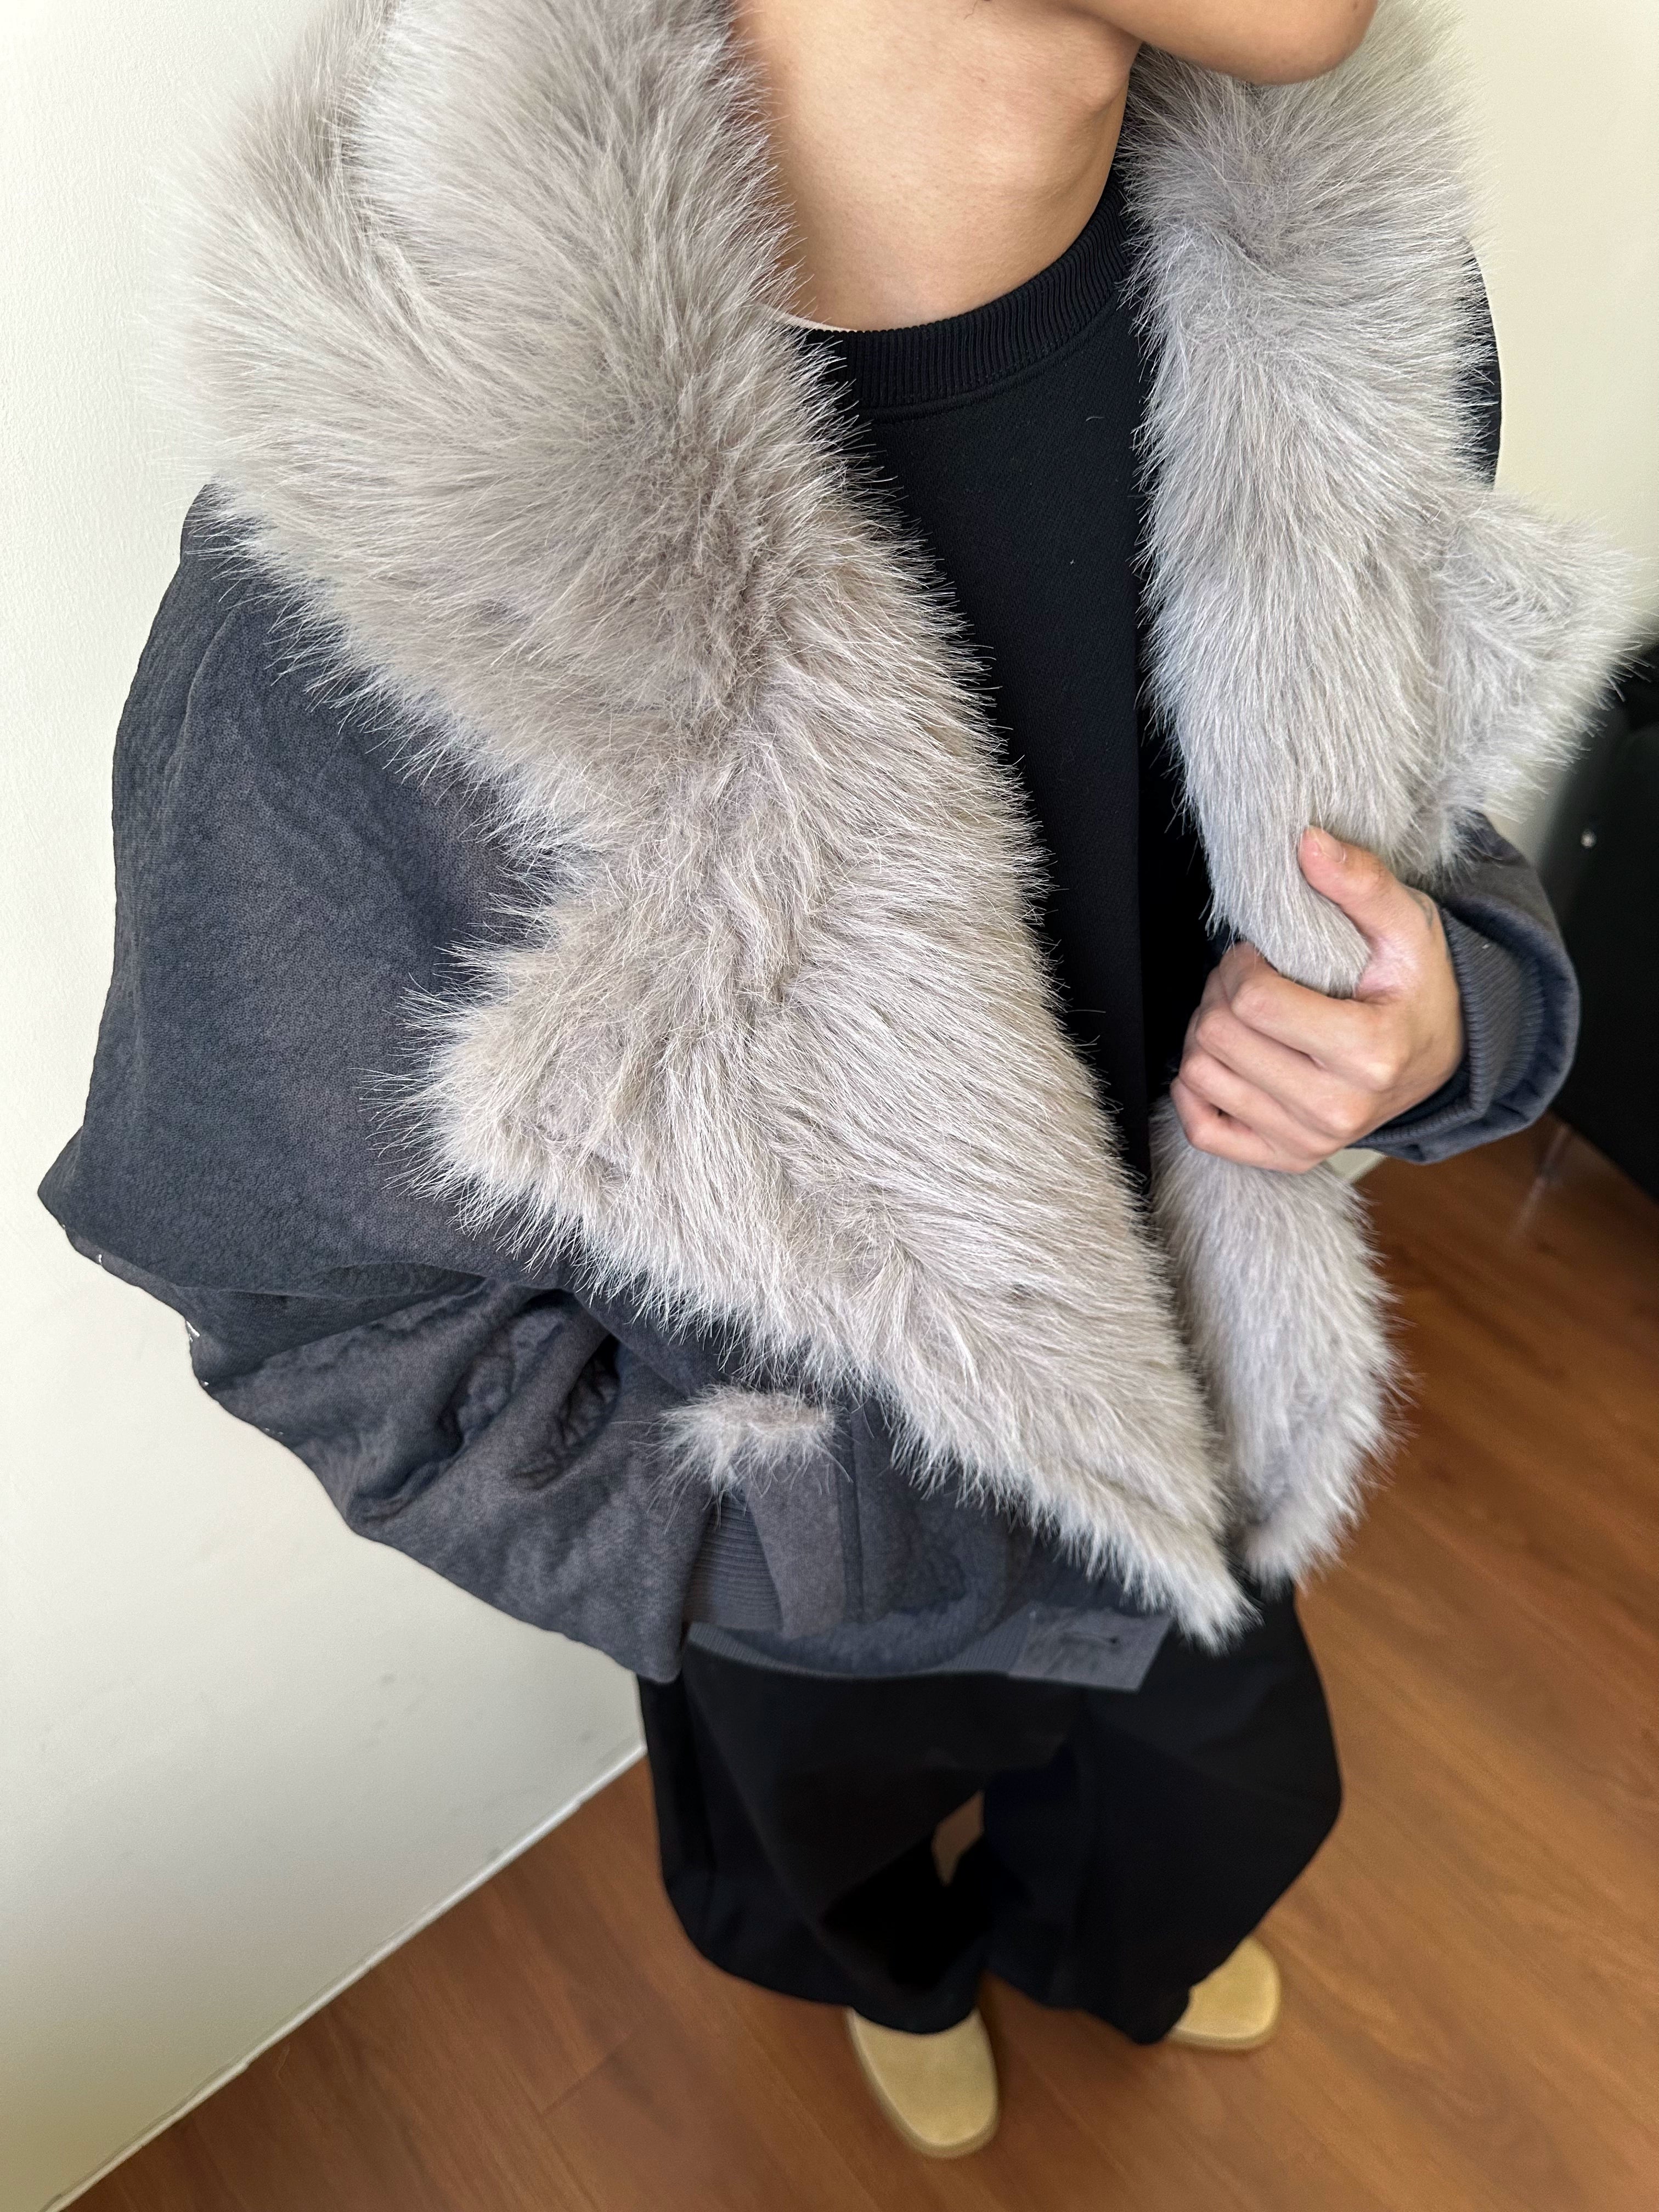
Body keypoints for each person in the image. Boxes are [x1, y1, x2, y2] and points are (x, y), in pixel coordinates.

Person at [42, 0, 1628, 2161]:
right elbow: (313, 1310)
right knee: (823, 1853)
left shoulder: (1337, 294)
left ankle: (1101, 1943)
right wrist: (830, 1534)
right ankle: (899, 1976)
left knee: (1216, 1804)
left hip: (1218, 1415)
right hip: (811, 1568)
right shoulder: (369, 606)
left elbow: (1411, 816)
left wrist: (1462, 1013)